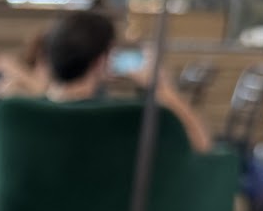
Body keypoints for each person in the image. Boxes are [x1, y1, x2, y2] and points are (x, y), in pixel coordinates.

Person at [43, 8, 211, 151]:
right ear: (102, 61)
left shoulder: (25, 113)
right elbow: (202, 145)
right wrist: (163, 89)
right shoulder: (122, 119)